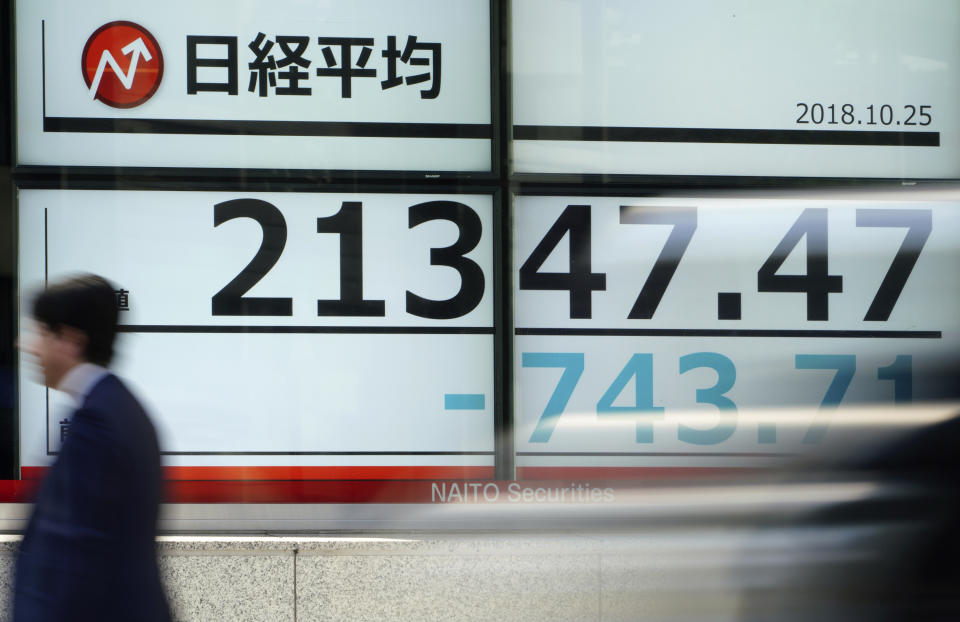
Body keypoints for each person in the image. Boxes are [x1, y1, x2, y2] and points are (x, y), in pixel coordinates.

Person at [14, 274, 170, 622]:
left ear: (70, 340)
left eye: (40, 332)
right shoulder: (120, 407)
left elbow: (70, 559)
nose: (27, 345)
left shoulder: (97, 424)